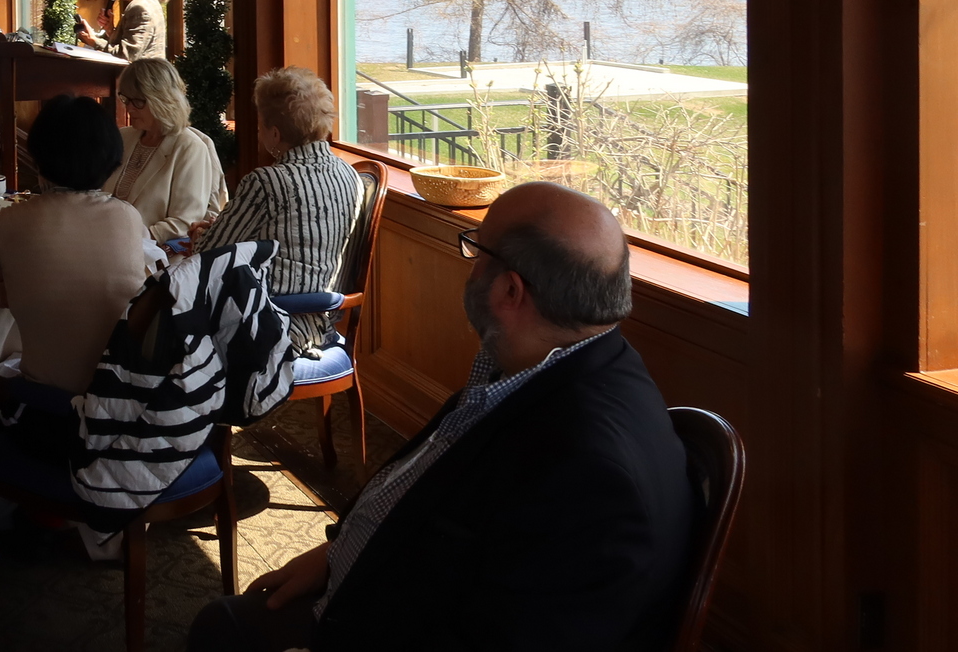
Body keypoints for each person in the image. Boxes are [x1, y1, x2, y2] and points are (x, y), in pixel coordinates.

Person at [186, 183, 695, 652]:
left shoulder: (591, 473)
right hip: (375, 583)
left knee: (219, 630)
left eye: (477, 251)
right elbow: (430, 491)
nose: (469, 266)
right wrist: (337, 555)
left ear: (510, 291)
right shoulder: (546, 366)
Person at [0, 95, 147, 396]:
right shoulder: (129, 217)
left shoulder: (15, 222)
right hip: (128, 399)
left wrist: (8, 276)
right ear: (112, 159)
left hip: (51, 406)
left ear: (39, 158)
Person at [189, 67, 359, 353]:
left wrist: (202, 234)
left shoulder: (267, 182)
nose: (258, 132)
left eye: (260, 126)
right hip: (325, 322)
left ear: (275, 134)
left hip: (272, 325)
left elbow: (206, 254)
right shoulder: (349, 174)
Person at [104, 57, 228, 241]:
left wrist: (135, 239)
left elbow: (185, 221)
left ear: (162, 100)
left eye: (137, 101)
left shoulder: (189, 147)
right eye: (125, 99)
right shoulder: (122, 137)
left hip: (153, 249)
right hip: (104, 238)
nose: (129, 108)